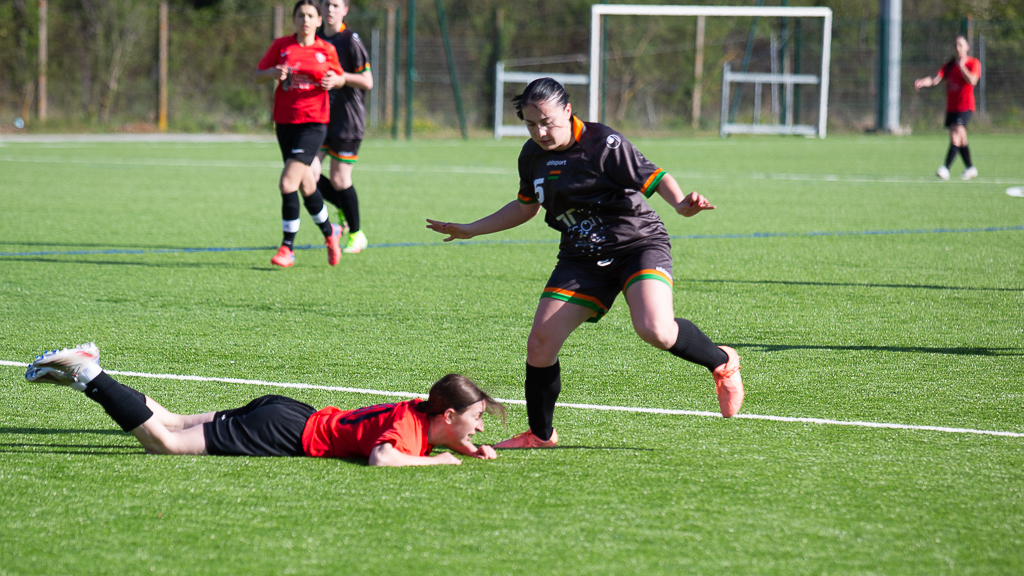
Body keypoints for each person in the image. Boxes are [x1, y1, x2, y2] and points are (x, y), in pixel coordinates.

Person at [426, 78, 743, 449]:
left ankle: (722, 361)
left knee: (655, 330)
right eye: (531, 124)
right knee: (540, 344)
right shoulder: (531, 155)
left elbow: (655, 178)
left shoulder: (603, 144)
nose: (540, 132)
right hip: (581, 257)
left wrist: (680, 204)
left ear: (567, 110)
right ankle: (541, 435)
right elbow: (526, 207)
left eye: (547, 122)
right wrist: (472, 229)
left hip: (637, 244)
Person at [24, 343, 505, 467]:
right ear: (447, 414)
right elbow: (384, 457)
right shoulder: (412, 433)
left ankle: (84, 375)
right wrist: (441, 461)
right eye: (477, 418)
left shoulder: (422, 412)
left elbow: (435, 434)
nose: (480, 427)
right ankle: (90, 374)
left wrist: (465, 447)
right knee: (164, 443)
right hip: (286, 432)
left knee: (172, 419)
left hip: (290, 410)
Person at [256, 0, 345, 268]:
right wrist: (272, 73)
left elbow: (340, 77)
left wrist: (334, 81)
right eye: (300, 15)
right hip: (285, 123)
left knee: (287, 184)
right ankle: (331, 232)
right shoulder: (281, 46)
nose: (305, 20)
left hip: (313, 124)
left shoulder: (326, 49)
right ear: (294, 19)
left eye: (310, 15)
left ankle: (287, 247)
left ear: (318, 21)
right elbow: (258, 75)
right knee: (307, 185)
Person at [311, 0, 374, 254]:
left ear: (345, 10)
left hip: (347, 120)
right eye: (326, 4)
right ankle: (343, 209)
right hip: (318, 118)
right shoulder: (314, 39)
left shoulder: (351, 41)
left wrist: (341, 79)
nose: (330, 9)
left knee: (339, 178)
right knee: (307, 173)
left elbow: (367, 81)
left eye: (336, 5)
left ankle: (357, 235)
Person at [914, 34, 981, 181]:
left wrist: (962, 67)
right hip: (952, 108)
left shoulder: (973, 63)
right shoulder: (949, 65)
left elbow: (973, 80)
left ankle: (945, 168)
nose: (958, 48)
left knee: (955, 135)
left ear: (967, 47)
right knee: (961, 139)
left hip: (965, 106)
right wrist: (922, 82)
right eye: (955, 45)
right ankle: (970, 167)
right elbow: (935, 78)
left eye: (960, 45)